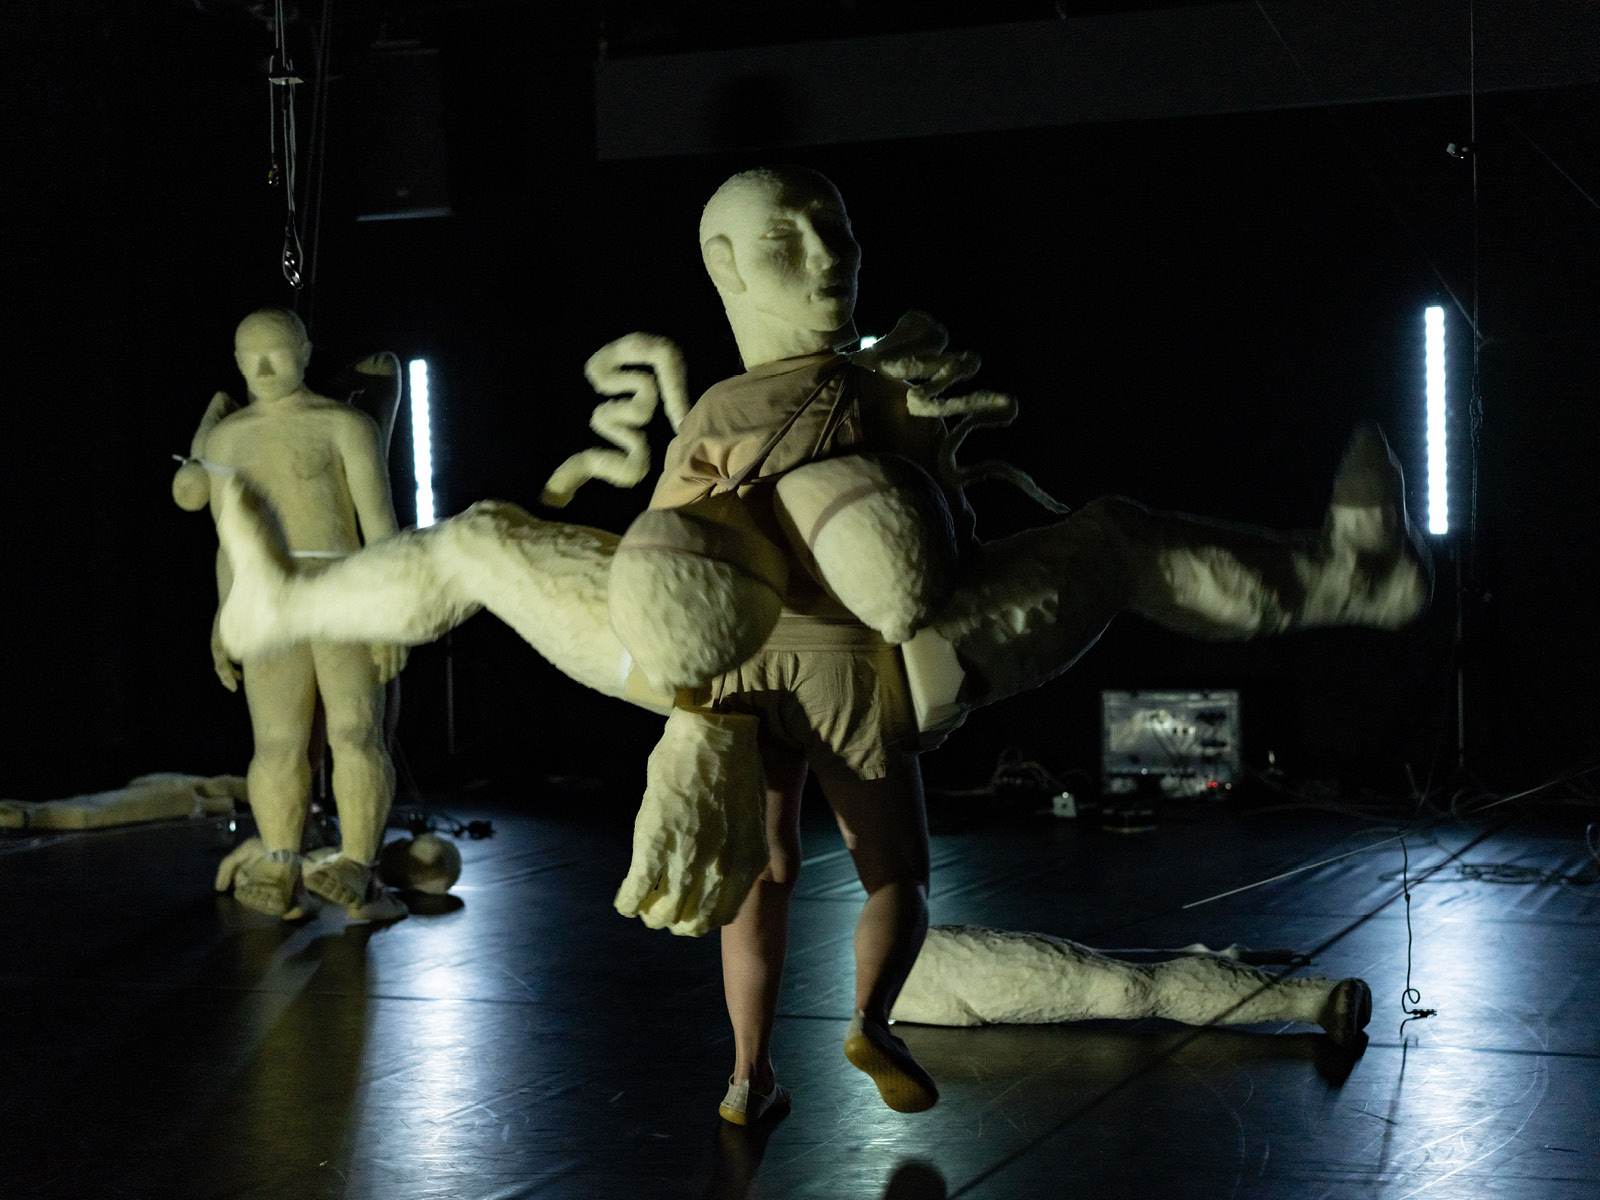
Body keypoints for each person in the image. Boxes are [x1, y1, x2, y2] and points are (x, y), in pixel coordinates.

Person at [205, 167, 1426, 1123]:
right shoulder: (844, 394)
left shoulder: (774, 402)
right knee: (902, 862)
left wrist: (695, 709)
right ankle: (871, 1021)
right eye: (793, 240)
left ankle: (748, 1075)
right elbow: (757, 557)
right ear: (728, 266)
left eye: (837, 232)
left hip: (746, 679)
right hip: (854, 673)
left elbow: (681, 557)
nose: (829, 257)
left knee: (750, 847)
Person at [173, 308, 406, 921]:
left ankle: (358, 865)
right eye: (251, 355)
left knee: (355, 732)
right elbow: (230, 542)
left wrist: (390, 613)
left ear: (304, 352)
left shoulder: (345, 425)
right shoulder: (227, 439)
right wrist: (224, 617)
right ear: (236, 361)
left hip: (344, 588)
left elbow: (381, 528)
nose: (265, 366)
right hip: (268, 595)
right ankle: (281, 861)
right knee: (277, 743)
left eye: (277, 351)